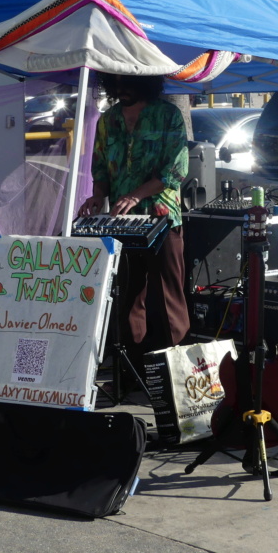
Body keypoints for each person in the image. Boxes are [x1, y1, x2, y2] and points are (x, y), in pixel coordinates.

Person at [77, 73, 190, 373]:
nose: (121, 91)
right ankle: (131, 370)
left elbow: (175, 170)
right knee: (126, 297)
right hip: (121, 221)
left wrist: (135, 195)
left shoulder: (168, 115)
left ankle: (172, 371)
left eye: (126, 85)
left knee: (166, 295)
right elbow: (99, 168)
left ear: (144, 82)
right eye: (116, 86)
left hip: (161, 216)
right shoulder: (108, 120)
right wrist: (96, 196)